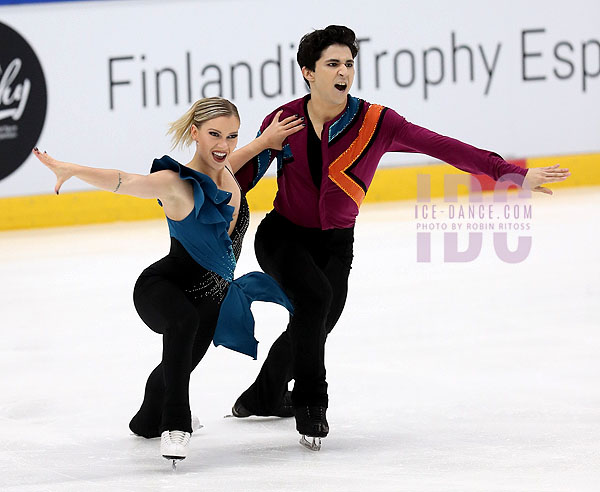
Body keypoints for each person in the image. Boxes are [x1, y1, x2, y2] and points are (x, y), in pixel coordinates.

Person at [228, 25, 571, 451]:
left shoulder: (377, 122)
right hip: (283, 236)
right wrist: (240, 161)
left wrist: (510, 173)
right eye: (332, 64)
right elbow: (240, 180)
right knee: (314, 302)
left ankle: (262, 395)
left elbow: (442, 146)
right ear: (308, 73)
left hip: (337, 243)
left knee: (317, 320)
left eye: (349, 64)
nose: (343, 72)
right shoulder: (285, 121)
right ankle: (312, 404)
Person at [32, 97, 293, 466]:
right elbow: (125, 181)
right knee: (182, 325)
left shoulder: (228, 172)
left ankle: (147, 420)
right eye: (214, 135)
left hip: (211, 297)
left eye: (231, 136)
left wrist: (263, 141)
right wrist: (72, 169)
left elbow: (235, 158)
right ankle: (176, 424)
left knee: (179, 364)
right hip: (161, 287)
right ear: (195, 134)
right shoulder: (174, 183)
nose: (224, 145)